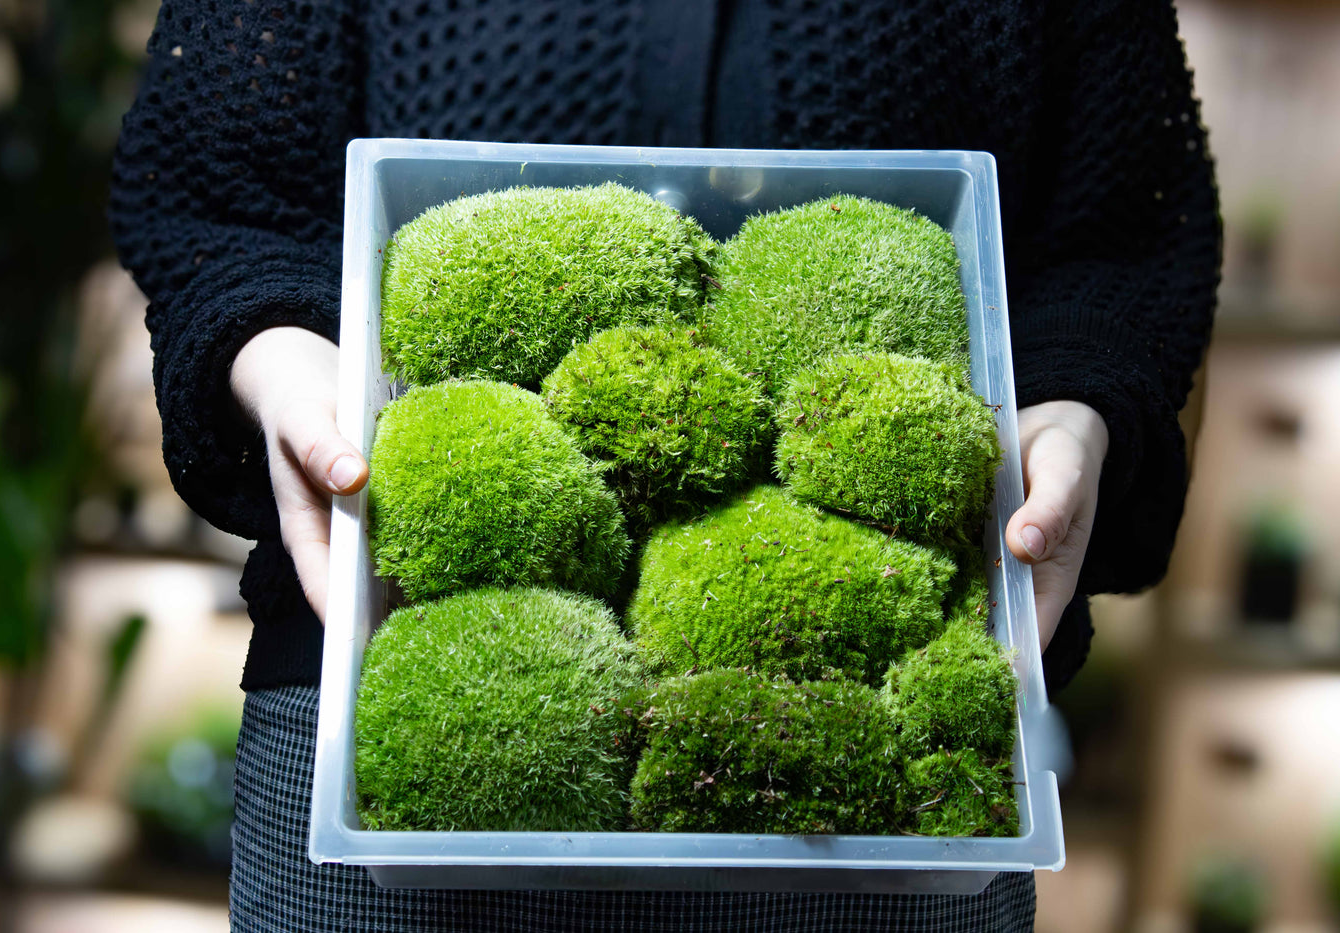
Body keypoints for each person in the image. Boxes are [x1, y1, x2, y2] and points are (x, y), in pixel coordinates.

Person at [109, 0, 1220, 929]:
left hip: (884, 806)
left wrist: (1071, 410)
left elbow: (1120, 236)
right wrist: (283, 358)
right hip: (390, 718)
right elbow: (214, 197)